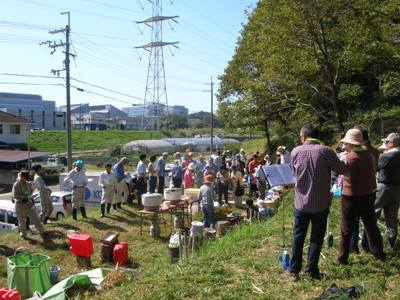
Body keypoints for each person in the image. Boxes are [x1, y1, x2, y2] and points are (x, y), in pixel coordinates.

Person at [286, 124, 348, 281]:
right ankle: (312, 270)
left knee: (298, 236)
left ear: (303, 136)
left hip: (300, 202)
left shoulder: (295, 151)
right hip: (320, 202)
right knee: (316, 237)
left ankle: (294, 270)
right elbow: (342, 170)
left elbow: (294, 173)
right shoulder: (326, 151)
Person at [337, 129, 385, 264]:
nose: (344, 146)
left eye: (346, 143)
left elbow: (342, 172)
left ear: (351, 144)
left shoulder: (346, 157)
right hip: (368, 194)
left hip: (350, 195)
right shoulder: (369, 155)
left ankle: (342, 257)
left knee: (346, 228)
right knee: (371, 225)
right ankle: (378, 252)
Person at [350, 125, 380, 252]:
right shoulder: (375, 151)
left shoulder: (359, 152)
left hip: (356, 189)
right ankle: (369, 245)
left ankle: (353, 245)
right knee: (369, 220)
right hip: (370, 188)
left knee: (354, 219)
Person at [374, 133, 400, 249]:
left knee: (374, 213)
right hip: (397, 188)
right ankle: (391, 242)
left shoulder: (386, 157)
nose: (385, 144)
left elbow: (375, 168)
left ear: (392, 143)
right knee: (392, 217)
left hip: (384, 188)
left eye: (386, 142)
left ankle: (370, 242)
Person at [12, 170, 45, 239]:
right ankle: (23, 234)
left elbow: (31, 193)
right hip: (20, 205)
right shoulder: (16, 184)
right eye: (20, 176)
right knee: (22, 221)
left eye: (22, 176)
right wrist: (26, 197)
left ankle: (42, 232)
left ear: (25, 177)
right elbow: (16, 196)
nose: (20, 177)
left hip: (29, 204)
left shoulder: (28, 184)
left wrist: (32, 197)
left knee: (36, 218)